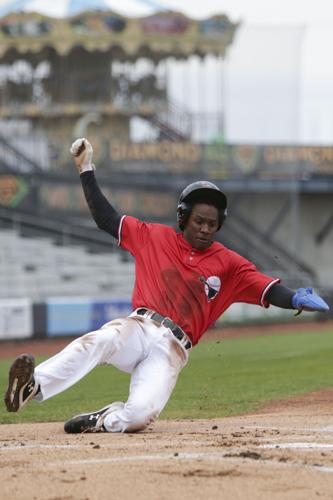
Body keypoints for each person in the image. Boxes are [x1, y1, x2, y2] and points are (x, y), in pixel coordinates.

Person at [4, 138, 329, 433]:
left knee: (140, 416)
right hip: (139, 326)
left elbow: (267, 289)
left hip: (173, 348)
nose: (205, 228)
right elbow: (106, 218)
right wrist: (86, 169)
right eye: (198, 221)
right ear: (183, 218)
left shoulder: (229, 264)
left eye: (212, 224)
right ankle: (33, 385)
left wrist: (296, 297)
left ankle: (103, 420)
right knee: (101, 340)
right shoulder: (153, 236)